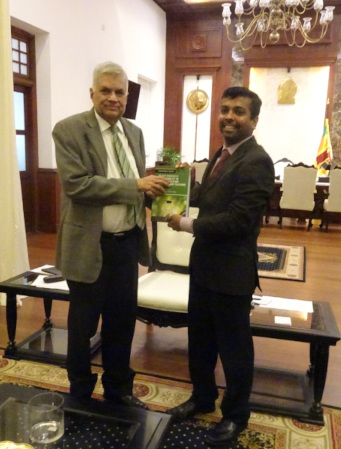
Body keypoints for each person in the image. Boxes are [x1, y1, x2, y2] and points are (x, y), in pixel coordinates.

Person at [52, 61, 169, 408]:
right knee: (82, 326)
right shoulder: (69, 130)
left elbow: (136, 187)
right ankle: (81, 391)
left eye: (119, 92)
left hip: (126, 245)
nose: (113, 97)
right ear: (92, 93)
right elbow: (78, 186)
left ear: (127, 96)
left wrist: (160, 194)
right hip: (89, 246)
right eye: (105, 90)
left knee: (121, 324)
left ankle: (119, 389)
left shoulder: (134, 132)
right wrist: (135, 185)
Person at [167, 87, 274, 445]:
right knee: (200, 342)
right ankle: (202, 398)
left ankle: (236, 415)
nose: (229, 116)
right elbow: (210, 203)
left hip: (232, 273)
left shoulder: (257, 160)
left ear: (254, 120)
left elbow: (239, 221)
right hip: (204, 268)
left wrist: (186, 225)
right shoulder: (221, 154)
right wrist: (189, 185)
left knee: (234, 349)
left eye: (239, 112)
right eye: (225, 109)